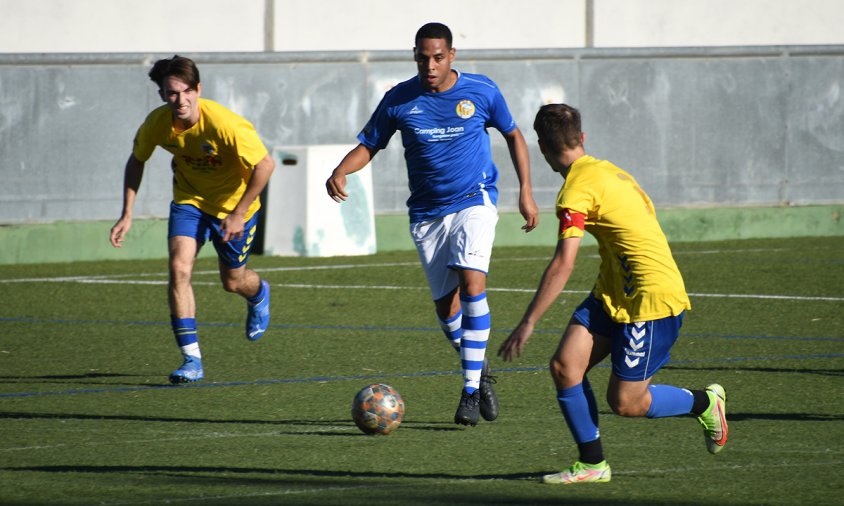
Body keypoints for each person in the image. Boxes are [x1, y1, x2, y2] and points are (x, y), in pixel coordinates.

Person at [498, 104, 727, 484]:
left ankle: (705, 402)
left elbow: (563, 264)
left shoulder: (575, 190)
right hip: (614, 290)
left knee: (625, 402)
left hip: (651, 299)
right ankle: (592, 465)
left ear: (541, 148)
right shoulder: (606, 169)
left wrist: (527, 322)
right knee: (565, 367)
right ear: (582, 138)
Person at [326, 22, 539, 426]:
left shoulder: (482, 90)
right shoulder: (399, 100)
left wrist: (525, 191)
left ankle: (470, 391)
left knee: (473, 282)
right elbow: (370, 144)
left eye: (438, 57)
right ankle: (481, 372)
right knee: (447, 310)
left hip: (474, 200)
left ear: (452, 55)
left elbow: (514, 135)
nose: (430, 64)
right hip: (427, 215)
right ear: (415, 56)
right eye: (423, 57)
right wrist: (341, 169)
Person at [109, 55, 276, 384]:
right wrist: (127, 213)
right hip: (190, 202)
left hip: (234, 208)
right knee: (179, 268)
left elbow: (265, 165)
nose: (180, 100)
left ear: (198, 89)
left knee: (233, 282)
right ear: (162, 95)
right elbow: (137, 160)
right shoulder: (157, 123)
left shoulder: (225, 125)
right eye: (172, 93)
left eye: (186, 91)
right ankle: (191, 360)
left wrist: (238, 213)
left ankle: (258, 294)